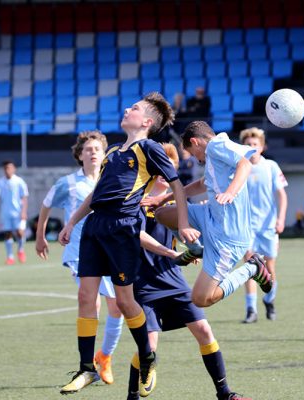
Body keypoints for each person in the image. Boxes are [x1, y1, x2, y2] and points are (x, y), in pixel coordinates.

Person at [56, 92, 199, 396]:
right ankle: (86, 368)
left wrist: (183, 223)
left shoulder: (148, 148)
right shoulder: (111, 153)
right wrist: (71, 222)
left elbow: (177, 186)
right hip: (95, 227)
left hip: (123, 228)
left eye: (134, 108)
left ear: (147, 121)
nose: (126, 109)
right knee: (85, 296)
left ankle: (147, 356)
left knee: (123, 302)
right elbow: (94, 196)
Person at [127, 143, 248, 400]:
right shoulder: (135, 200)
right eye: (157, 165)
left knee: (204, 331)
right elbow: (136, 235)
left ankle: (225, 394)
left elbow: (189, 231)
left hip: (172, 278)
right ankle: (132, 397)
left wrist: (192, 249)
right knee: (148, 344)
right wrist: (172, 252)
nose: (163, 169)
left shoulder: (179, 203)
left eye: (168, 164)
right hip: (143, 281)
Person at [142, 120, 273, 309]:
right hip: (209, 216)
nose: (197, 160)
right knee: (162, 214)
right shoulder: (213, 156)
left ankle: (253, 268)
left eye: (194, 154)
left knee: (201, 299)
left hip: (228, 236)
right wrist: (161, 199)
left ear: (195, 142)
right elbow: (201, 185)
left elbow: (244, 165)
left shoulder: (216, 145)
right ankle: (196, 249)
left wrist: (230, 192)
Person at [35, 131, 123, 385]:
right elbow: (45, 205)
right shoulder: (68, 183)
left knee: (117, 306)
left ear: (105, 153)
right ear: (79, 155)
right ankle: (86, 366)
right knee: (91, 302)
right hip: (79, 251)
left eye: (97, 148)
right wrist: (40, 237)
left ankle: (104, 357)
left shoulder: (112, 179)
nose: (93, 152)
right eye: (88, 149)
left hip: (109, 248)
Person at [237, 128, 288, 324]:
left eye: (255, 145)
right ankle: (251, 310)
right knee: (250, 267)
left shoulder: (271, 167)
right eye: (248, 145)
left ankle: (269, 300)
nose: (252, 148)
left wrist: (281, 219)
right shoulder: (239, 167)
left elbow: (281, 195)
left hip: (268, 227)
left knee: (269, 268)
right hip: (246, 227)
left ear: (262, 146)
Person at [0, 160, 29, 265]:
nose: (7, 170)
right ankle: (10, 256)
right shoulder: (0, 182)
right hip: (6, 213)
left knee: (20, 232)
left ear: (14, 169)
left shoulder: (19, 181)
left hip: (18, 212)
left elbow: (24, 198)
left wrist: (24, 211)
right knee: (8, 234)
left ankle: (21, 250)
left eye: (9, 168)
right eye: (5, 168)